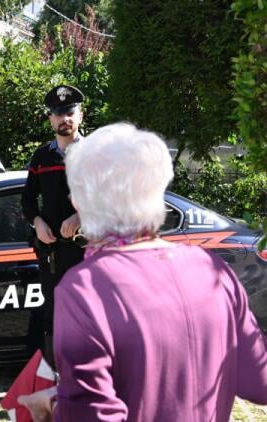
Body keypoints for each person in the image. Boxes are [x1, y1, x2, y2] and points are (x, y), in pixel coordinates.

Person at [18, 123, 267, 421]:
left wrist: (51, 408)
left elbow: (92, 416)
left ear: (79, 202)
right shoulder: (212, 269)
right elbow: (260, 382)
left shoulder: (83, 288)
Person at [21, 85, 86, 365]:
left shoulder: (94, 154)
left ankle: (86, 377)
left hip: (86, 252)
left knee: (86, 313)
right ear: (50, 119)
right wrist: (37, 222)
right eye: (58, 114)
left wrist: (80, 217)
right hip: (52, 255)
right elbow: (27, 200)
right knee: (53, 315)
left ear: (80, 115)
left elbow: (111, 200)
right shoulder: (42, 157)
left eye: (70, 113)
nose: (64, 119)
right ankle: (56, 377)